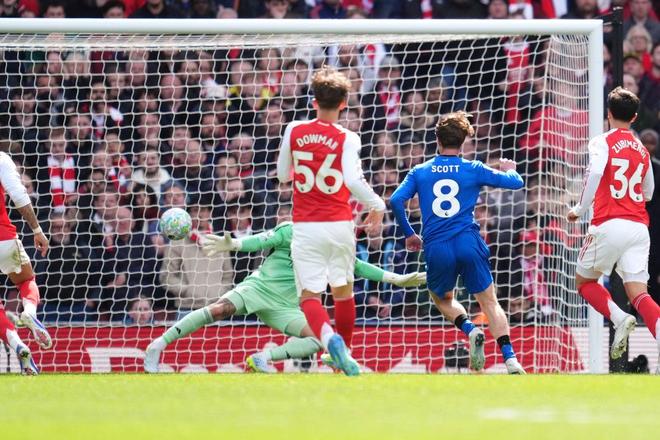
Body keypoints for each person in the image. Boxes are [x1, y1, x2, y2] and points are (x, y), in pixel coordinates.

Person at [144, 222, 425, 373]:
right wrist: (236, 243)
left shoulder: (334, 249)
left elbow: (360, 267)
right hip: (259, 289)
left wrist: (397, 279)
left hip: (286, 306)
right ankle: (158, 345)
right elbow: (260, 240)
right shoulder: (291, 230)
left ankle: (262, 358)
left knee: (321, 338)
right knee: (219, 310)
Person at [390, 111, 526, 374]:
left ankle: (470, 329)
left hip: (437, 245)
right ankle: (511, 359)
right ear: (463, 142)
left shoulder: (420, 171)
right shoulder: (473, 168)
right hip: (468, 241)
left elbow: (396, 200)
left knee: (441, 299)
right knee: (489, 302)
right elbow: (516, 183)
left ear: (437, 140)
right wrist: (510, 169)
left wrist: (409, 234)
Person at [276, 67, 386, 376]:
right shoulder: (348, 137)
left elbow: (283, 175)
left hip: (306, 225)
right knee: (343, 291)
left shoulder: (294, 130)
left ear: (313, 101)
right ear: (343, 103)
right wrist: (377, 204)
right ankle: (343, 357)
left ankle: (329, 339)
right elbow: (352, 180)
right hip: (340, 224)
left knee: (310, 297)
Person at [567, 87, 659, 371]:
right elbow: (649, 192)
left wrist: (579, 209)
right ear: (634, 117)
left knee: (584, 283)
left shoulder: (602, 141)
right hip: (638, 228)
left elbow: (595, 172)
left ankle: (619, 318)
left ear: (608, 113)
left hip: (609, 223)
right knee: (639, 294)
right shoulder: (642, 149)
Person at [0, 152, 50, 375]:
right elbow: (19, 195)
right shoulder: (1, 159)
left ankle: (18, 345)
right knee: (26, 281)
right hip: (3, 238)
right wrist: (37, 230)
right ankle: (29, 312)